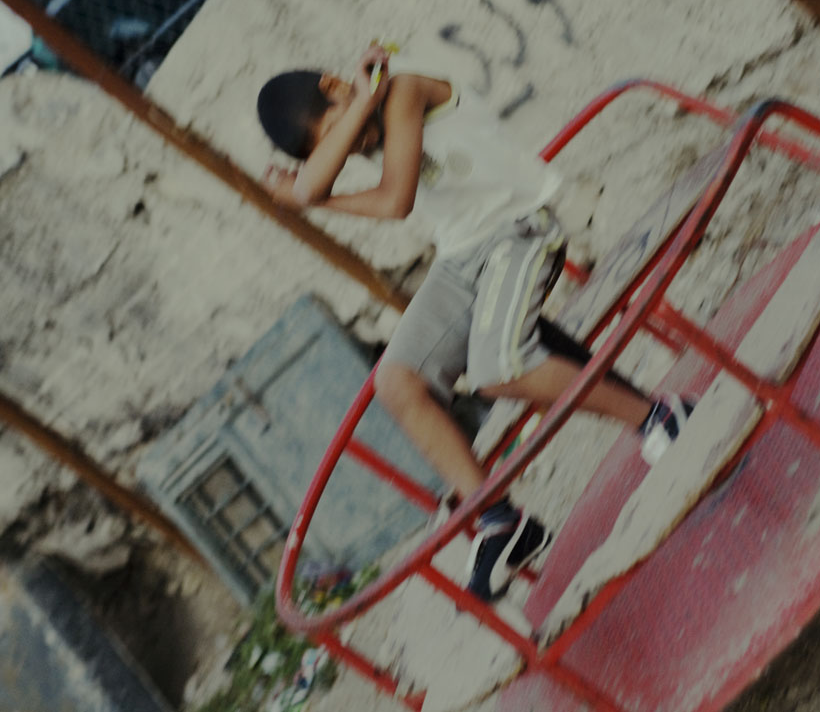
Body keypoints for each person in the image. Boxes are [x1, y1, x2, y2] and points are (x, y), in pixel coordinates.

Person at [257, 44, 692, 601]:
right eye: (341, 147)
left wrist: (353, 117)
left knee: (499, 369)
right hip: (461, 258)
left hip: (517, 232)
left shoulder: (402, 88)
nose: (358, 144)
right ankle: (499, 519)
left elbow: (393, 200)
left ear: (336, 87)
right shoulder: (364, 112)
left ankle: (659, 415)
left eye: (346, 130)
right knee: (397, 381)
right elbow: (326, 190)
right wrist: (321, 173)